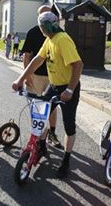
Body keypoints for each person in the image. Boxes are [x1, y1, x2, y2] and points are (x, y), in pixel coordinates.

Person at [12, 12, 83, 178]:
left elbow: (78, 65)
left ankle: (66, 160)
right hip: (54, 85)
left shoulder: (62, 40)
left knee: (68, 124)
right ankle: (42, 146)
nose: (42, 29)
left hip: (68, 87)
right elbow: (37, 60)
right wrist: (20, 79)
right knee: (41, 115)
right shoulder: (49, 39)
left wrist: (70, 90)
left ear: (52, 25)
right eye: (41, 26)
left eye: (43, 26)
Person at [21, 5, 61, 148]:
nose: (45, 17)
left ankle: (52, 132)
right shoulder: (32, 32)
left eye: (48, 14)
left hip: (52, 76)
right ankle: (39, 135)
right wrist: (26, 76)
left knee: (52, 107)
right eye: (42, 15)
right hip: (35, 76)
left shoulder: (57, 33)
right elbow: (26, 55)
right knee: (36, 108)